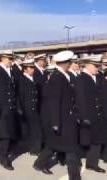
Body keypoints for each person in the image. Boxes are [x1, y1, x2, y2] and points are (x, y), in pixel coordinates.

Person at [33, 50, 81, 180]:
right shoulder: (57, 78)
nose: (71, 64)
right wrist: (55, 123)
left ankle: (39, 164)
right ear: (65, 63)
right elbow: (54, 102)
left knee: (54, 144)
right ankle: (75, 176)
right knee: (72, 148)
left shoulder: (64, 75)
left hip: (67, 117)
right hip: (62, 119)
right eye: (70, 62)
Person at [0, 50, 22, 170]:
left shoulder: (10, 72)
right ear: (2, 59)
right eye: (9, 59)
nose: (11, 61)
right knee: (5, 135)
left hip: (10, 108)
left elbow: (13, 92)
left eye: (12, 59)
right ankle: (4, 159)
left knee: (3, 134)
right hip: (1, 109)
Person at [75, 54, 106, 173]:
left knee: (96, 140)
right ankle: (76, 161)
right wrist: (84, 117)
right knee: (85, 140)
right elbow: (80, 99)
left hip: (97, 114)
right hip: (87, 115)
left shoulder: (96, 77)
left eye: (98, 66)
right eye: (95, 66)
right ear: (87, 65)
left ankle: (92, 163)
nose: (97, 68)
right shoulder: (81, 78)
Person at [18, 58, 42, 155]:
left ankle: (35, 149)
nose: (33, 69)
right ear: (25, 69)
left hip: (35, 108)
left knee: (36, 130)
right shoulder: (22, 80)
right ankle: (34, 149)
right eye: (30, 68)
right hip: (28, 109)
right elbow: (20, 96)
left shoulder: (32, 79)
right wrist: (21, 110)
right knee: (32, 131)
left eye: (33, 67)